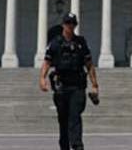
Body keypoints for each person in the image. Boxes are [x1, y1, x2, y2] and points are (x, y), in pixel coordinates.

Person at [39, 12, 99, 150]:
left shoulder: (81, 43)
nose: (70, 26)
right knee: (63, 120)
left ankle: (77, 145)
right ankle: (64, 146)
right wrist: (42, 78)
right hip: (61, 87)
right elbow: (47, 62)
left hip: (77, 86)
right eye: (68, 23)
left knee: (75, 116)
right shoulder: (55, 43)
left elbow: (89, 64)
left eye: (73, 24)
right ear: (63, 25)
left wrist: (95, 85)